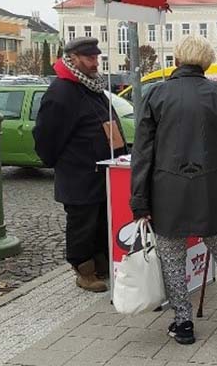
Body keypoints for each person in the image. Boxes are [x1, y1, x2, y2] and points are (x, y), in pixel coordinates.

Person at [130, 35, 217, 345]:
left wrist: (139, 201)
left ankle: (182, 322)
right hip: (210, 187)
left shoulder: (156, 94)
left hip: (167, 190)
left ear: (177, 59)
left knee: (172, 256)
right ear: (206, 61)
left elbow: (142, 154)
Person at [33, 37, 127, 293]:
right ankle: (84, 272)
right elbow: (46, 139)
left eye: (96, 57)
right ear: (72, 58)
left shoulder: (91, 87)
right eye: (89, 58)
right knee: (82, 227)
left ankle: (100, 264)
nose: (95, 62)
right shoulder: (61, 92)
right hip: (79, 176)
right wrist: (63, 164)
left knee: (100, 223)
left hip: (101, 173)